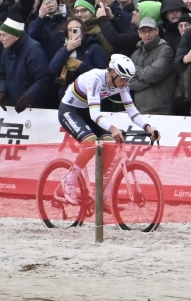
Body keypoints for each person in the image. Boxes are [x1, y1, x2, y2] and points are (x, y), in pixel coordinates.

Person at [57, 56, 160, 205]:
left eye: (128, 79)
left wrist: (148, 127)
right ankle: (68, 181)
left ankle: (101, 190)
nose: (126, 83)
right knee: (91, 142)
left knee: (110, 144)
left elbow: (132, 111)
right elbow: (95, 114)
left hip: (86, 111)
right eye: (124, 79)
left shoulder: (122, 85)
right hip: (70, 110)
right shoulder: (95, 79)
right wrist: (112, 128)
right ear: (112, 72)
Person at [49, 16, 109, 100]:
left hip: (90, 94)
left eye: (76, 29)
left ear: (83, 31)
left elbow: (104, 75)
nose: (73, 32)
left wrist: (80, 66)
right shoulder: (64, 49)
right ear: (67, 33)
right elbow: (51, 70)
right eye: (70, 30)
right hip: (66, 94)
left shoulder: (95, 48)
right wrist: (67, 50)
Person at [128, 17, 175, 114]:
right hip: (138, 108)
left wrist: (134, 71)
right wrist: (149, 82)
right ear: (139, 33)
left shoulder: (165, 50)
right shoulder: (135, 53)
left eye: (150, 31)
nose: (147, 34)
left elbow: (153, 74)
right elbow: (128, 81)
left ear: (157, 31)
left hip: (161, 108)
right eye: (143, 31)